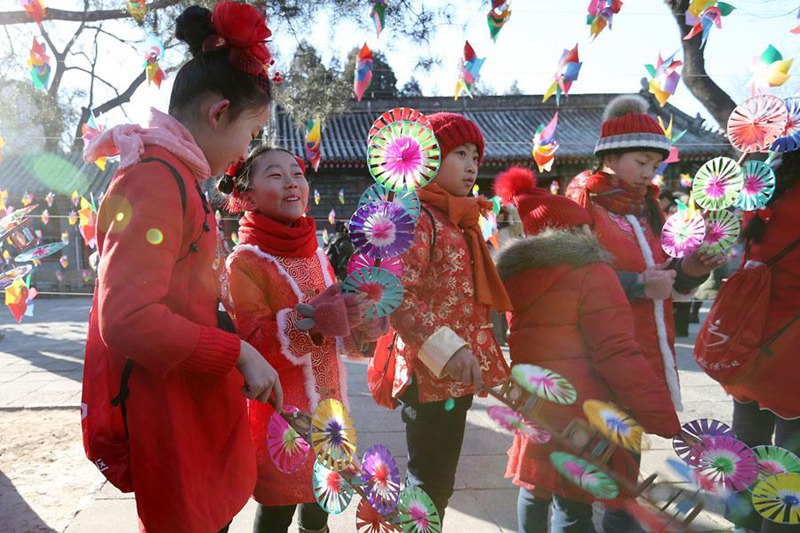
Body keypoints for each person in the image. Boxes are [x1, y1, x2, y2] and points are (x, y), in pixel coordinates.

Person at [82, 3, 283, 531]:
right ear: (219, 114)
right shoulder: (154, 180)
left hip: (187, 401)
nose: (245, 152)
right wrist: (234, 350)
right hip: (170, 414)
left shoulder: (176, 177)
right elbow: (126, 317)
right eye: (251, 132)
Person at [495, 167, 681, 533]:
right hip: (581, 408)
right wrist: (661, 416)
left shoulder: (514, 275)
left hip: (534, 401)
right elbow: (617, 352)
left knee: (534, 489)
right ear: (577, 231)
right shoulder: (592, 272)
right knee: (573, 501)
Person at [220, 145, 387, 533]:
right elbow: (253, 343)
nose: (292, 183)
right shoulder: (244, 261)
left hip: (331, 407)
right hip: (281, 414)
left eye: (297, 174)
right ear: (246, 195)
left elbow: (338, 336)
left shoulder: (316, 253)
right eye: (276, 176)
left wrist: (361, 320)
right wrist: (312, 321)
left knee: (323, 502)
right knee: (278, 507)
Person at [385, 112, 513, 520]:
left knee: (437, 480)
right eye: (459, 153)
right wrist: (448, 348)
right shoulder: (415, 216)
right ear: (425, 159)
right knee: (428, 481)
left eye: (476, 154)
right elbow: (396, 294)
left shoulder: (457, 218)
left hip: (455, 372)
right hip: (428, 373)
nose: (473, 164)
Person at [565, 94, 726, 412]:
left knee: (630, 445)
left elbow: (666, 274)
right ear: (609, 158)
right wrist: (639, 284)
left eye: (654, 165)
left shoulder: (648, 207)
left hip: (646, 345)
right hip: (596, 349)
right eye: (640, 162)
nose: (648, 174)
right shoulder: (582, 202)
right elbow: (568, 280)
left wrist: (692, 267)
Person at [722, 150, 800, 533]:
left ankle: (742, 526)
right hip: (793, 360)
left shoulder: (761, 200)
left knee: (747, 445)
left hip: (752, 349)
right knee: (789, 462)